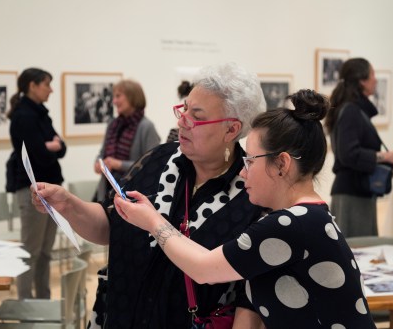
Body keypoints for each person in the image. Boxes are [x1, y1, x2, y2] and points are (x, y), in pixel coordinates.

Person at [32, 62, 267, 328]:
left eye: (197, 116)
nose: (182, 121)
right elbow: (111, 222)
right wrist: (69, 205)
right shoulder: (158, 160)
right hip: (120, 316)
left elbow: (250, 297)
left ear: (232, 129)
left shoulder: (251, 192)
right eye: (184, 108)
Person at [117, 89, 376, 328]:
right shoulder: (308, 217)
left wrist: (153, 221)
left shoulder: (291, 224)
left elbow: (203, 268)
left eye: (250, 161)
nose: (243, 172)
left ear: (282, 164)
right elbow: (213, 264)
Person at [7, 68, 67, 299]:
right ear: (33, 85)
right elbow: (38, 154)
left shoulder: (41, 113)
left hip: (50, 187)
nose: (51, 89)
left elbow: (62, 147)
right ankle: (25, 303)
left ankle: (43, 303)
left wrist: (52, 146)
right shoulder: (23, 116)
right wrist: (50, 147)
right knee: (30, 252)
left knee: (44, 252)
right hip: (32, 189)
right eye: (47, 84)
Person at [325, 58, 393, 237]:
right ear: (362, 81)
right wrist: (384, 157)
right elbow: (348, 153)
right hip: (352, 195)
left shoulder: (351, 109)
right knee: (359, 252)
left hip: (357, 192)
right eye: (372, 75)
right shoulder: (351, 110)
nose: (375, 79)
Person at [93, 79, 161, 202]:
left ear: (132, 97)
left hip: (132, 196)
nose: (114, 101)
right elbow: (102, 153)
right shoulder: (113, 124)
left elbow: (153, 164)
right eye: (113, 97)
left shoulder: (146, 126)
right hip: (106, 192)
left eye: (118, 96)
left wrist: (118, 164)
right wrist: (98, 163)